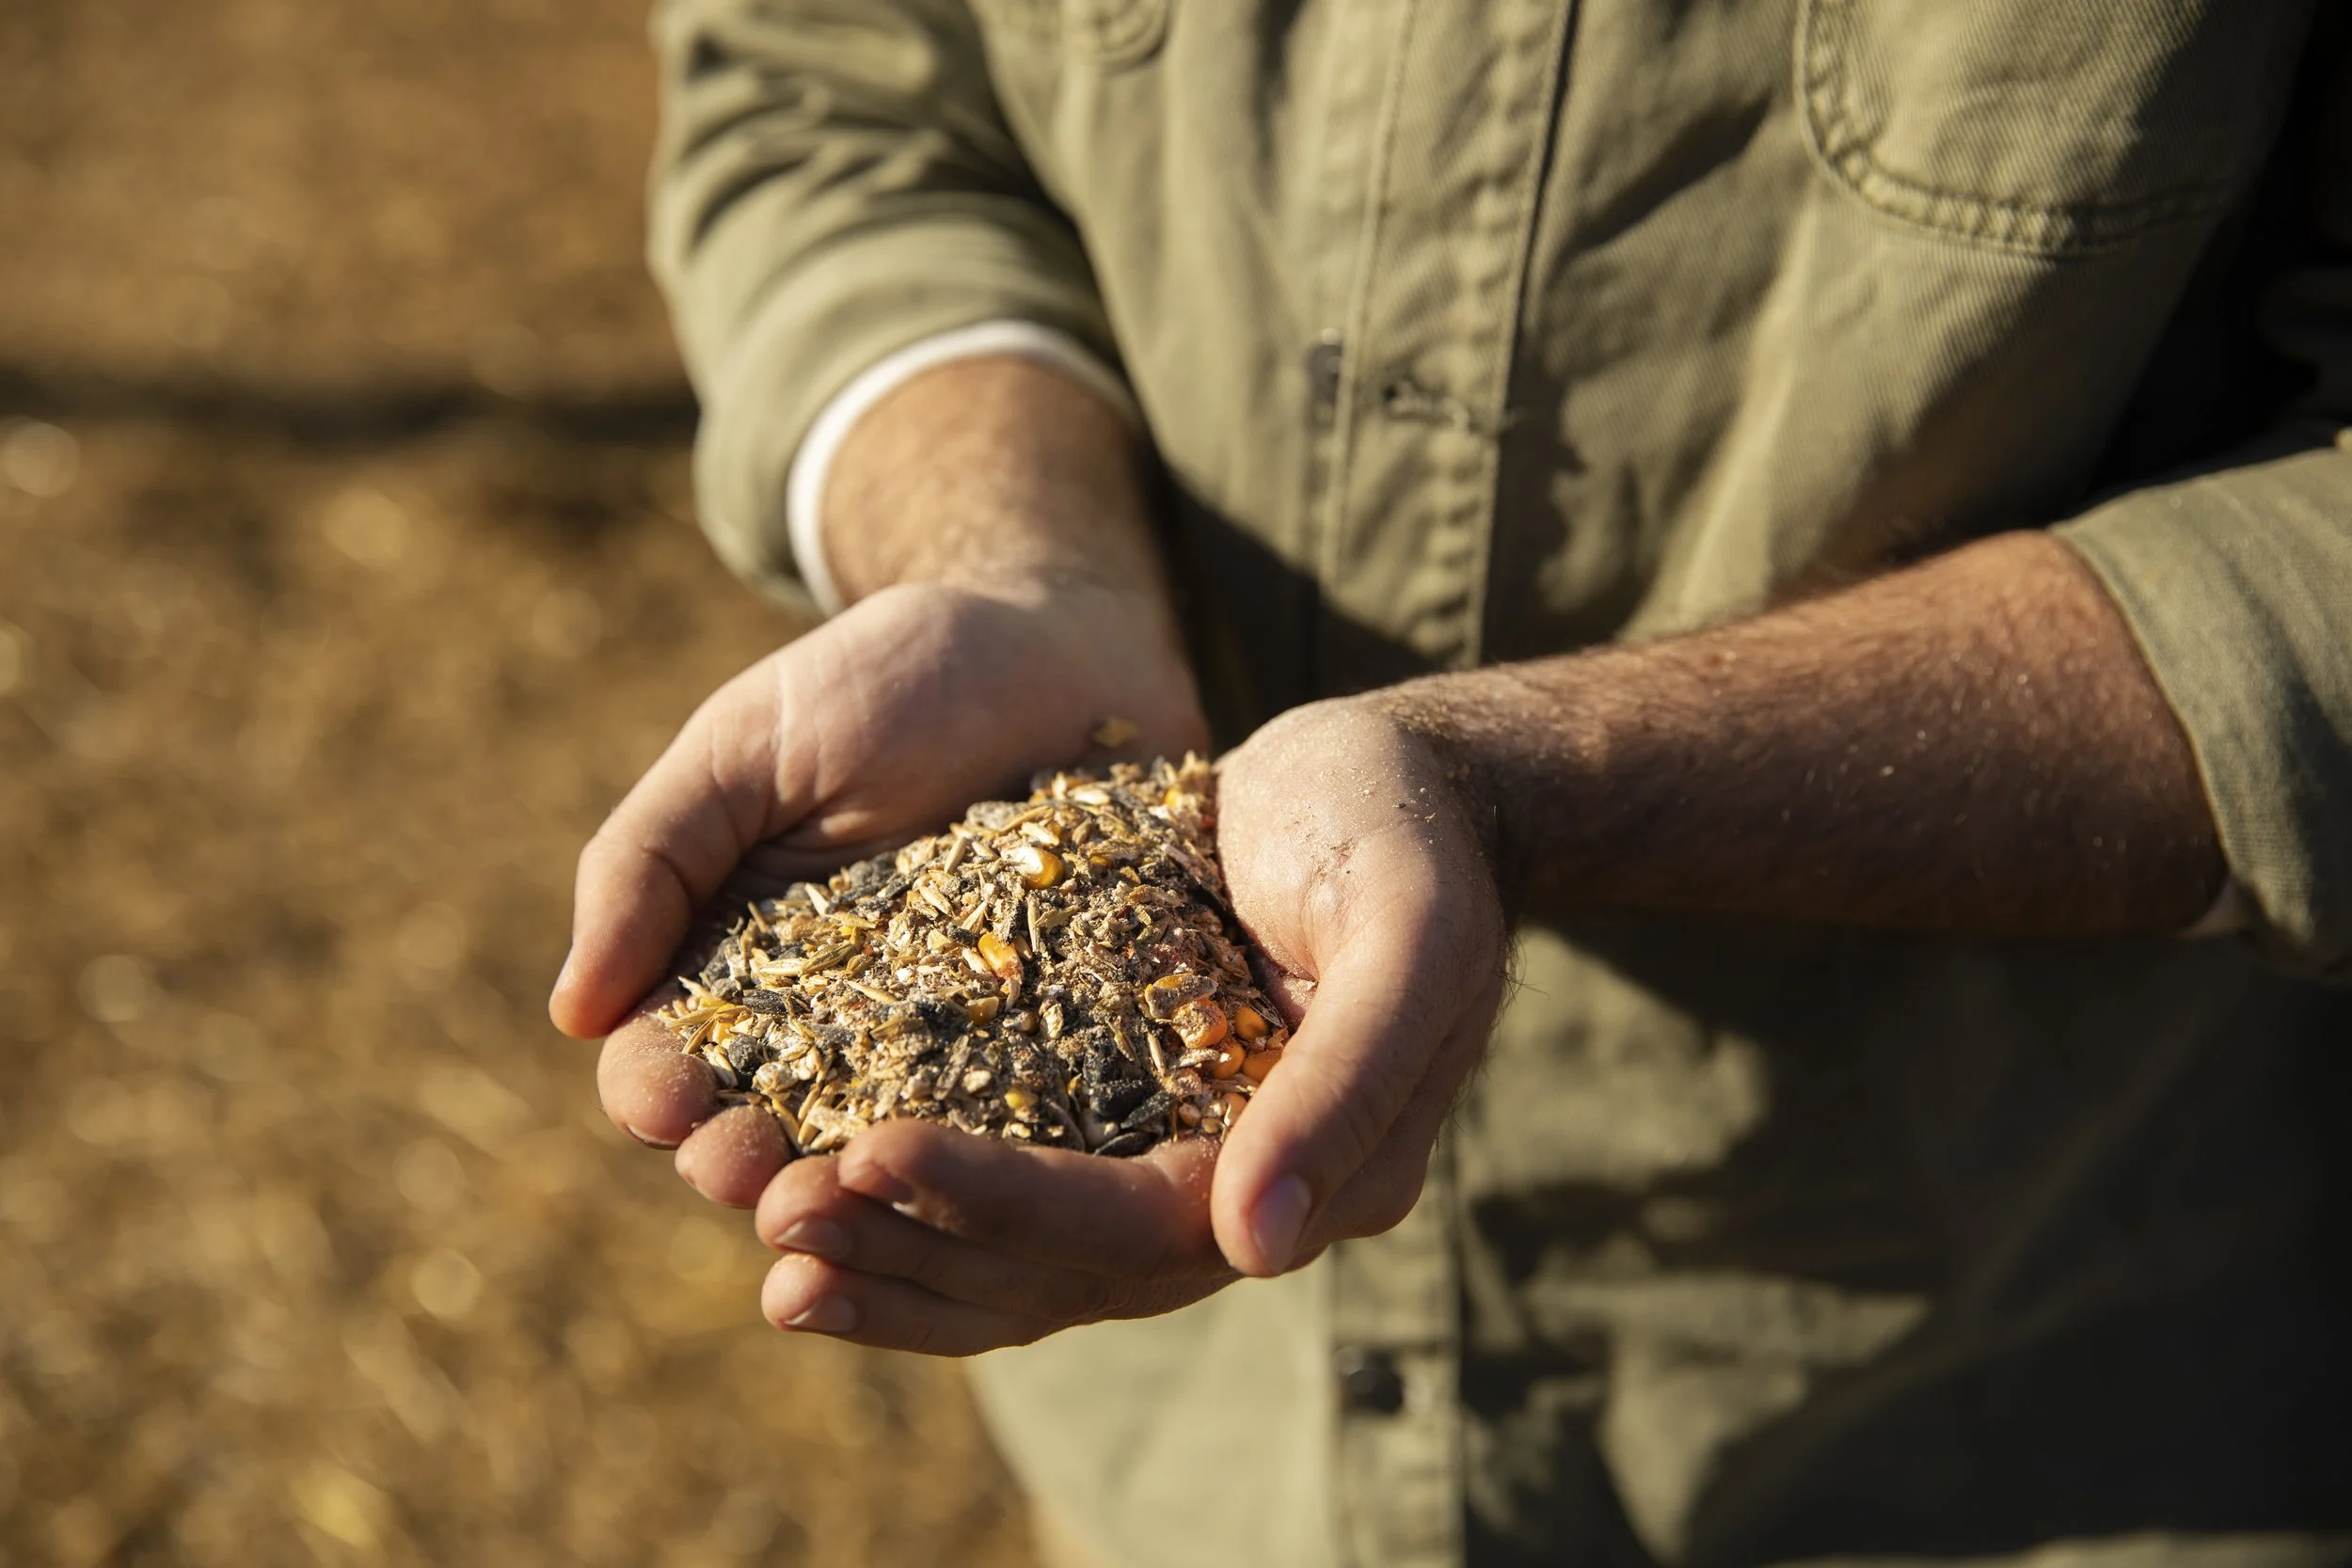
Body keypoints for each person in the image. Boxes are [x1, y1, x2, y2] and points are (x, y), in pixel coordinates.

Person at [549, 4, 2352, 1565]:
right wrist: (1018, 561)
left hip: (2032, 1415)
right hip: (1195, 1462)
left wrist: (1526, 785)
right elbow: (830, 92)